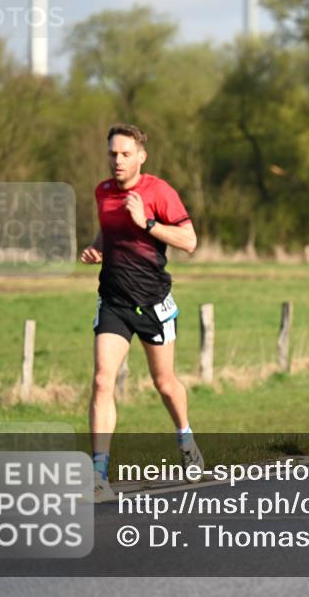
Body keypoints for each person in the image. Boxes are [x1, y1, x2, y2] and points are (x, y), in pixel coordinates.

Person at [80, 124, 203, 501]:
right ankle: (99, 475)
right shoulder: (102, 192)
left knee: (164, 383)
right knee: (102, 381)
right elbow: (110, 231)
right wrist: (97, 248)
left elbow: (189, 241)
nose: (118, 161)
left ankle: (185, 438)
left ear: (140, 157)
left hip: (152, 303)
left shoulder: (158, 191)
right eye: (113, 154)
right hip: (114, 301)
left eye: (125, 154)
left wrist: (148, 223)